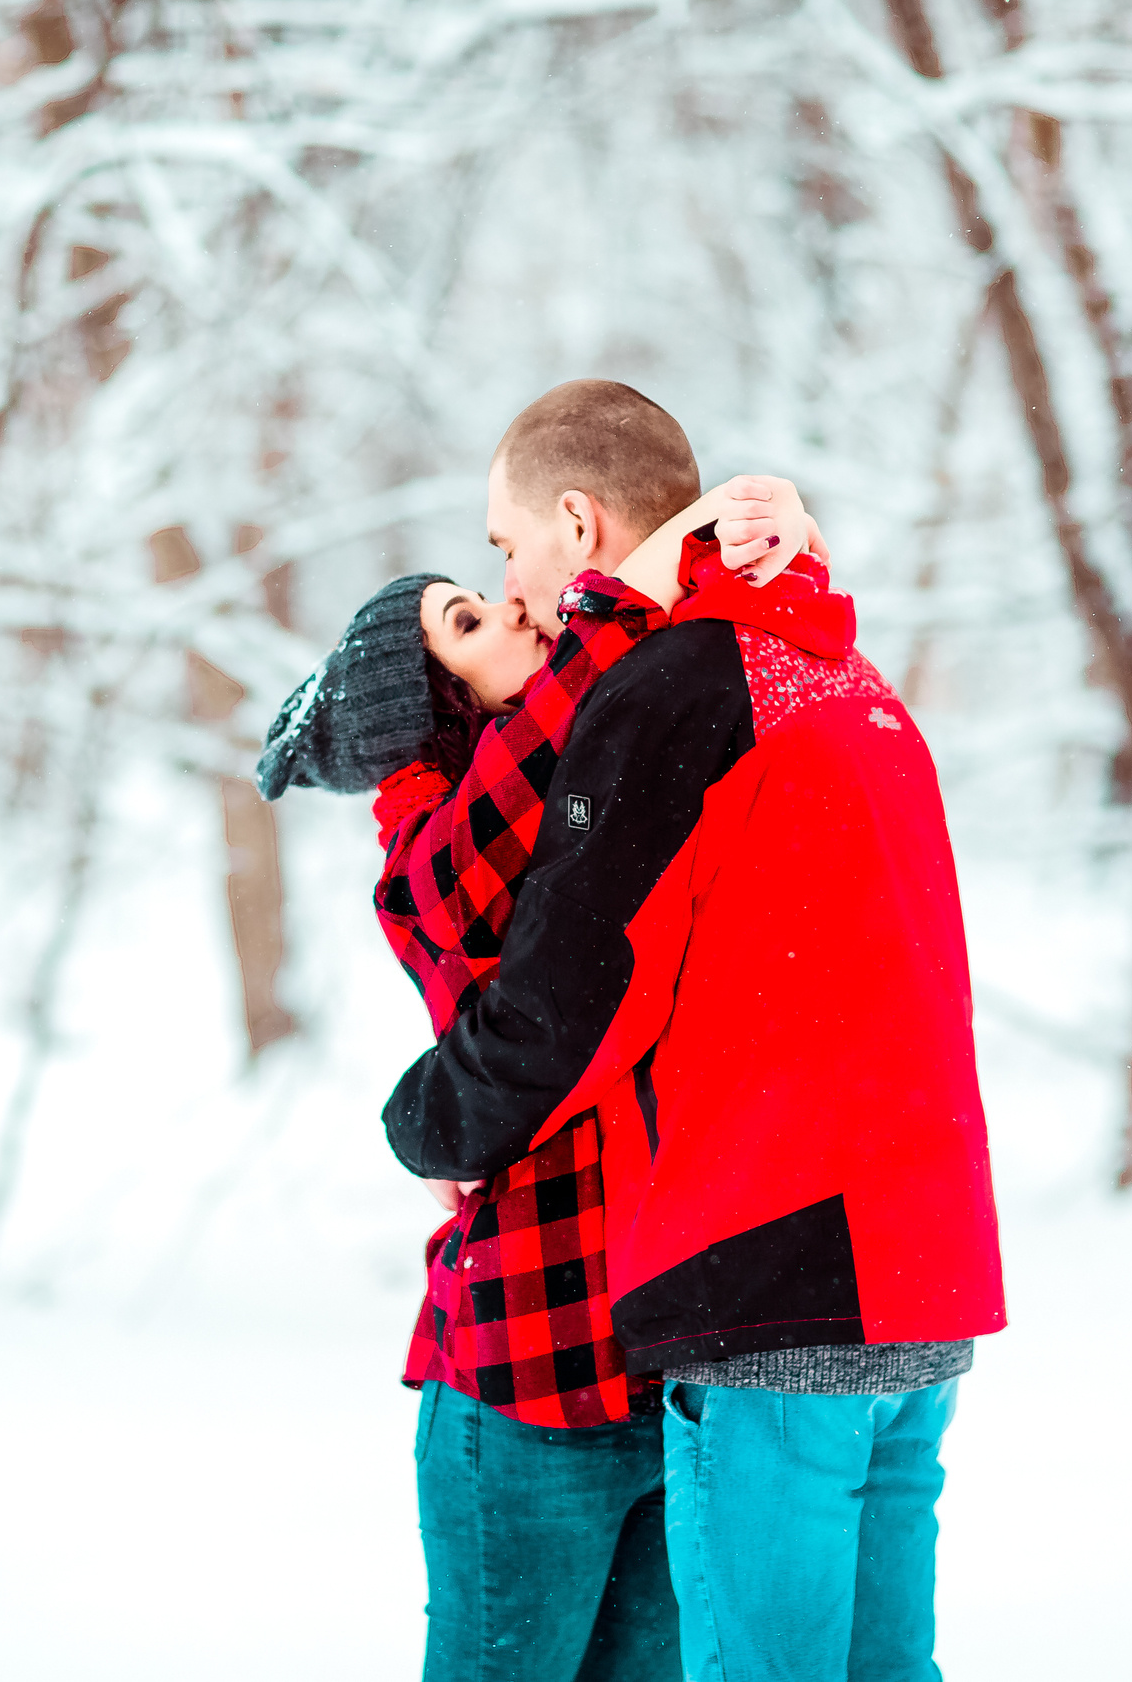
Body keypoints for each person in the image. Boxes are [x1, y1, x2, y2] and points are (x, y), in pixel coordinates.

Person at [380, 380, 1006, 1682]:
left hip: (776, 1280)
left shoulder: (675, 688)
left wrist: (428, 1118)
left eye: (509, 546)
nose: (513, 582)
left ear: (576, 521)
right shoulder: (841, 667)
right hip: (921, 1266)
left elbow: (569, 995)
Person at [258, 469, 823, 1681]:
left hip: (654, 1366)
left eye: (484, 589)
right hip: (523, 1378)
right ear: (432, 710)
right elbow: (582, 720)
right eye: (468, 622)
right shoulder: (432, 856)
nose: (515, 608)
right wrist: (647, 574)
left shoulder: (567, 786)